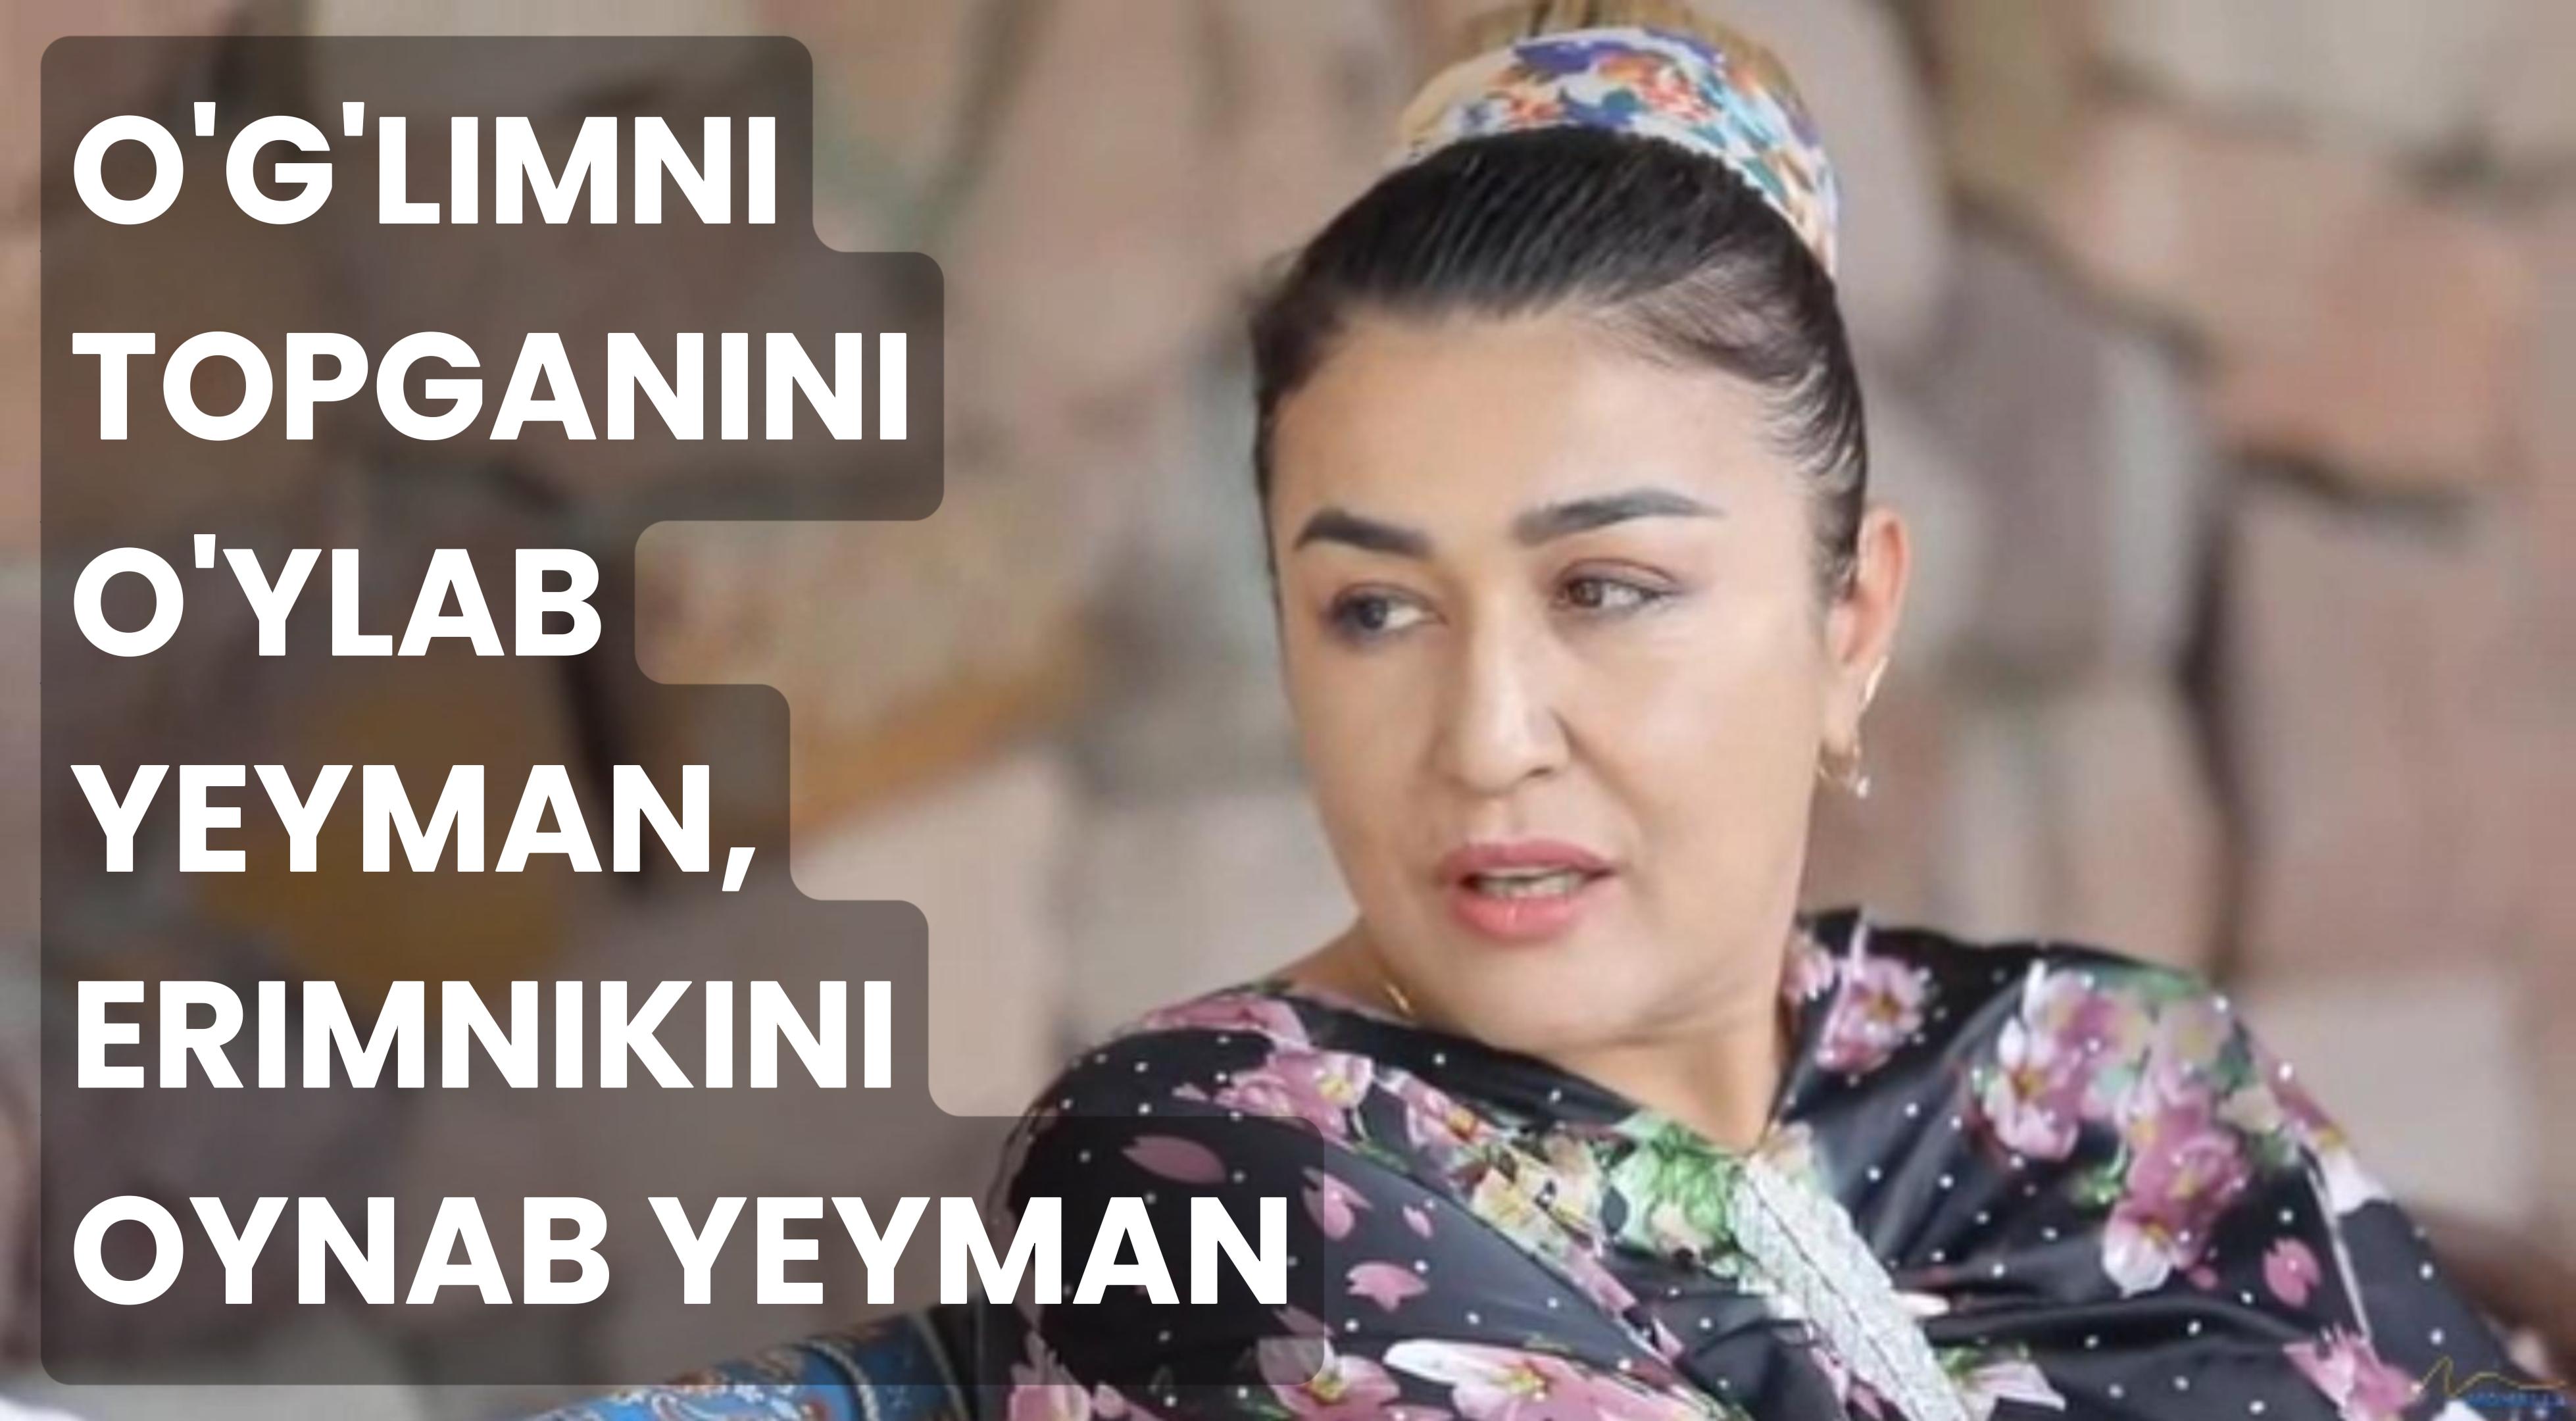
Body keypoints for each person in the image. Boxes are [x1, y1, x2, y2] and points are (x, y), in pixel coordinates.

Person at [983, 4, 2554, 1418]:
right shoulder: (1202, 1171)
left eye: (1603, 589)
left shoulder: (2104, 1068)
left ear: (1849, 620)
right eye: (1374, 610)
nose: (1485, 736)